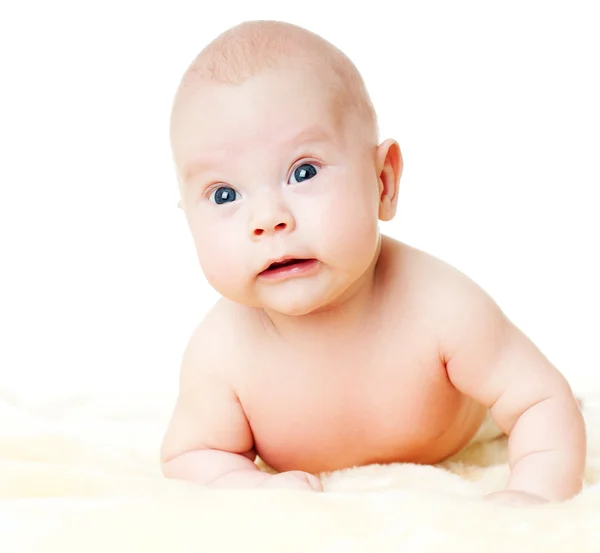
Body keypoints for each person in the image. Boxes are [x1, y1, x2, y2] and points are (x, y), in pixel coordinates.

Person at [160, 20, 585, 506]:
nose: (268, 220)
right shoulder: (220, 355)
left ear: (382, 182)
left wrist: (533, 494)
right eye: (224, 194)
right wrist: (251, 486)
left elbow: (539, 401)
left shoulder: (441, 307)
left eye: (303, 172)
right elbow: (189, 455)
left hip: (467, 433)